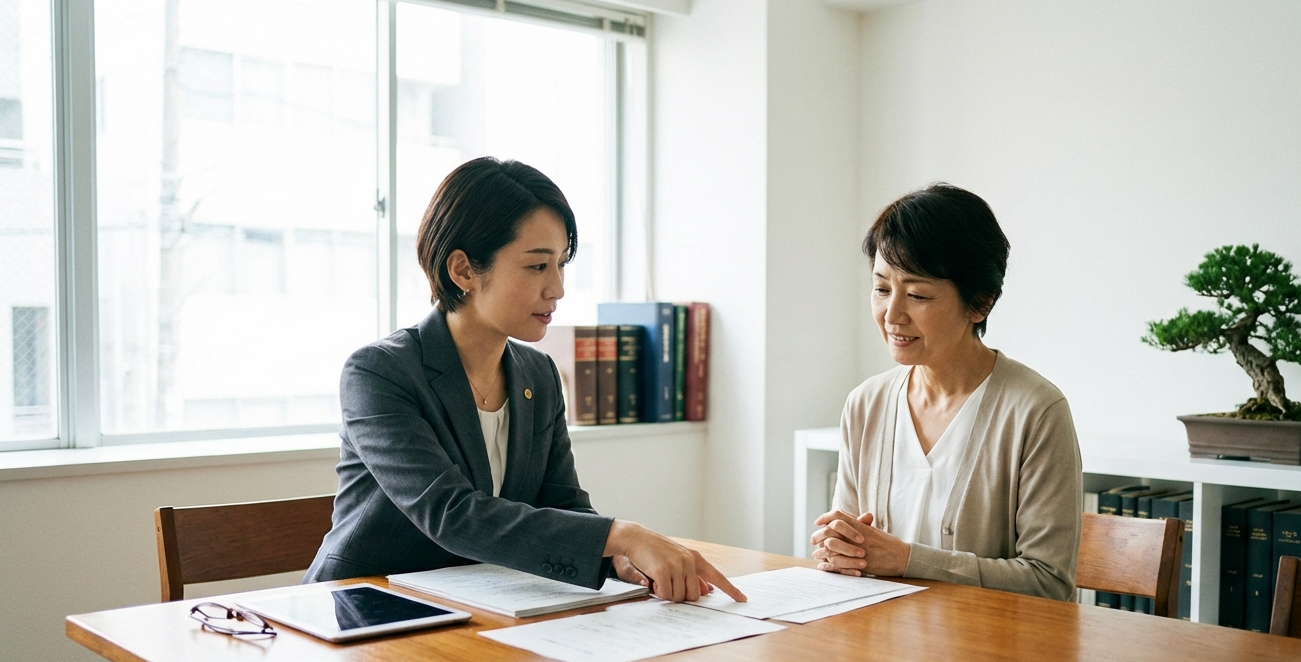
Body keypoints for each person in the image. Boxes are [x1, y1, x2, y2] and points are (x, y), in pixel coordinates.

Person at [306, 157, 744, 604]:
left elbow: (562, 504)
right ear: (463, 271)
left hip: (477, 607)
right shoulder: (379, 372)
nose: (557, 288)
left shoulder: (539, 373)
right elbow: (452, 514)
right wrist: (623, 535)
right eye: (537, 266)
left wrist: (616, 560)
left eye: (561, 264)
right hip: (362, 609)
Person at [811, 183, 1081, 600]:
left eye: (917, 294)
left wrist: (906, 560)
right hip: (877, 651)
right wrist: (839, 551)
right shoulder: (866, 404)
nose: (892, 315)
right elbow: (850, 551)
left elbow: (1049, 583)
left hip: (986, 657)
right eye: (882, 289)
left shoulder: (1036, 411)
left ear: (980, 303)